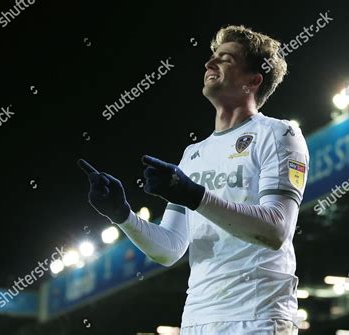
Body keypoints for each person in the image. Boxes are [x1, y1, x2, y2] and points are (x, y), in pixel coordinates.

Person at [79, 24, 309, 335]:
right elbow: (171, 248)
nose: (209, 63)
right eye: (212, 56)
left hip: (258, 319)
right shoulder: (193, 154)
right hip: (197, 322)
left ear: (253, 81)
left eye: (226, 59)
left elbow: (276, 229)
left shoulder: (279, 133)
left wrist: (194, 195)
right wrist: (121, 214)